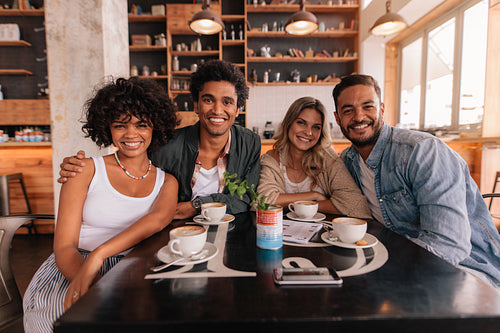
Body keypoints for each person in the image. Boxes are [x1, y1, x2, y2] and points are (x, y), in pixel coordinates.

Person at [23, 77, 179, 332]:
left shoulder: (168, 182)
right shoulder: (84, 170)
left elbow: (158, 220)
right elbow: (64, 246)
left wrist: (100, 255)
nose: (131, 134)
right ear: (107, 128)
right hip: (73, 266)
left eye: (141, 124)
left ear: (155, 126)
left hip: (133, 270)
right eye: (120, 125)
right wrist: (94, 277)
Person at [332, 74, 500, 287]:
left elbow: (448, 245)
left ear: (382, 109)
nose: (358, 117)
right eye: (348, 110)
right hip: (394, 261)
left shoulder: (422, 152)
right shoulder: (349, 160)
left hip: (464, 270)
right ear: (338, 119)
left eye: (368, 107)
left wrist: (387, 272)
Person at [58, 60, 261, 219]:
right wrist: (84, 169)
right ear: (196, 105)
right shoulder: (167, 145)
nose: (217, 110)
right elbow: (133, 168)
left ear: (238, 109)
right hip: (173, 233)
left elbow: (246, 197)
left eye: (227, 102)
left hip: (230, 231)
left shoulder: (250, 143)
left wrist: (195, 205)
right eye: (208, 100)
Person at [257, 96, 371, 219]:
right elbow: (262, 201)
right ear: (288, 123)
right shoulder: (272, 159)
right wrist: (313, 196)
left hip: (322, 233)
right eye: (301, 123)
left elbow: (355, 205)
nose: (308, 132)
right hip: (279, 232)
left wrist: (309, 205)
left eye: (316, 127)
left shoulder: (327, 158)